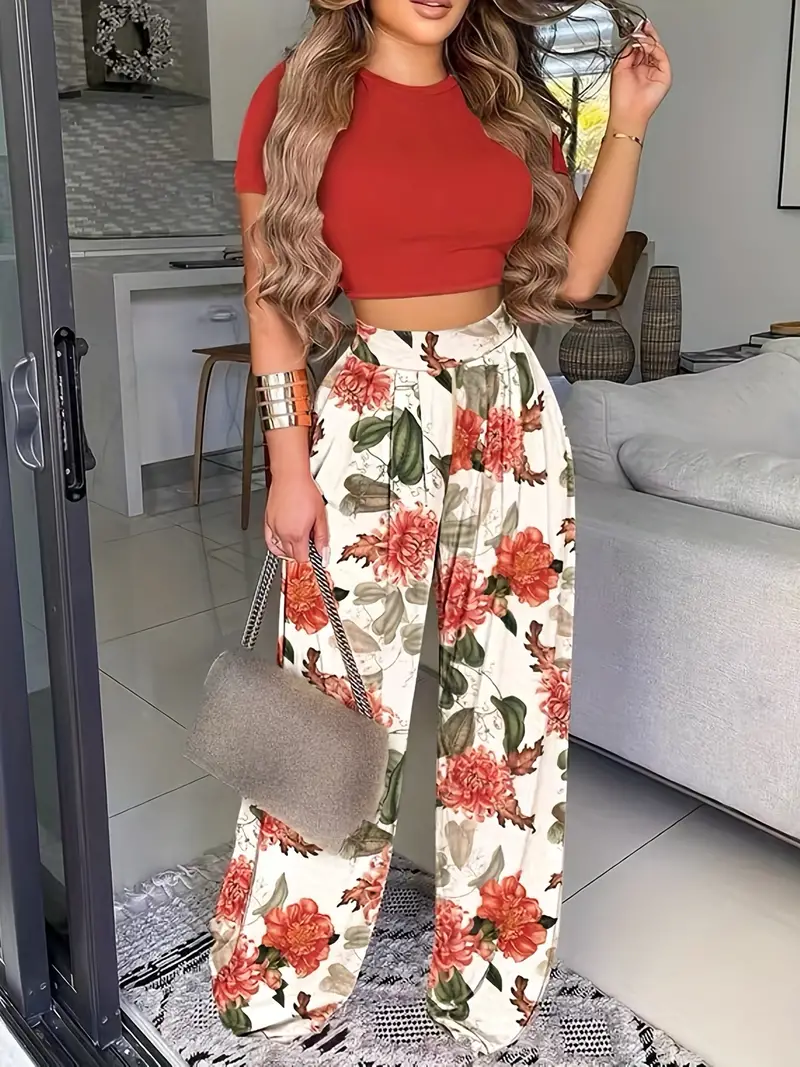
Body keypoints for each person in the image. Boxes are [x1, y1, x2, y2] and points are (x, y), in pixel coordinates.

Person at [210, 0, 670, 1054]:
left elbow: (576, 278)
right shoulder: (293, 98)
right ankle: (283, 971)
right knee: (330, 704)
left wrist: (629, 121)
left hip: (509, 404)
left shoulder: (502, 103)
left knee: (514, 706)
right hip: (372, 405)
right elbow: (268, 298)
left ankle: (490, 984)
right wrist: (288, 465)